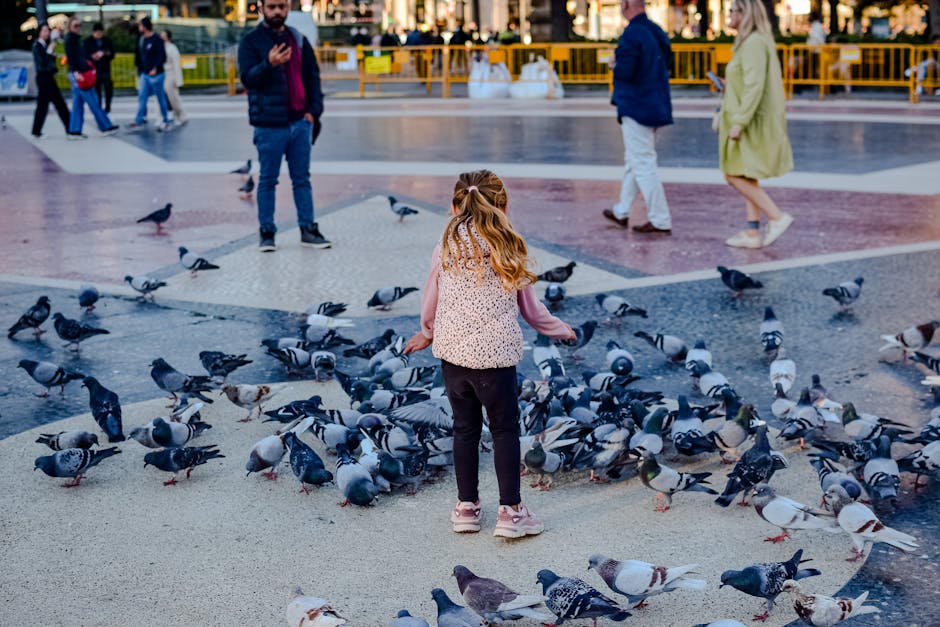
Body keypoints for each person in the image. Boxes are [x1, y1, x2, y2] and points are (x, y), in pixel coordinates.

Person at [404, 170, 575, 539]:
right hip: (496, 360)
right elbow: (531, 309)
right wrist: (558, 329)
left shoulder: (445, 246)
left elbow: (430, 298)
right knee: (504, 432)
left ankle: (466, 507)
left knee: (464, 429)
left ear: (454, 206)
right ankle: (511, 512)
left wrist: (426, 331)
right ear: (504, 205)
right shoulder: (509, 245)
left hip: (452, 357)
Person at [238, 0, 330, 251]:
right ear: (261, 8)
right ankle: (267, 233)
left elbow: (312, 76)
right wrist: (269, 64)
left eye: (282, 6)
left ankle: (308, 229)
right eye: (272, 7)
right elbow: (248, 80)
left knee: (302, 179)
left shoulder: (298, 38)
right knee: (268, 179)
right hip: (269, 125)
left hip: (300, 122)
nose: (277, 11)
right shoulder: (251, 42)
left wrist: (314, 111)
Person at [719, 0, 794, 248]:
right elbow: (749, 81)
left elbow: (755, 86)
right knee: (745, 174)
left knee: (732, 174)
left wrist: (739, 122)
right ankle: (752, 233)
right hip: (745, 117)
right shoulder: (751, 42)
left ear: (744, 13)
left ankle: (777, 216)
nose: (728, 15)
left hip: (747, 120)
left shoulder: (753, 43)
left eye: (732, 10)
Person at [602, 0, 674, 235]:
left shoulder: (631, 34)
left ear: (626, 6)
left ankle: (661, 220)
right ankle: (622, 210)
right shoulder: (656, 30)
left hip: (636, 106)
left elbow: (626, 71)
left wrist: (614, 63)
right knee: (635, 159)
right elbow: (668, 62)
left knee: (642, 163)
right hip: (656, 104)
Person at [63, 17, 118, 140]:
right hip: (80, 75)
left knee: (78, 103)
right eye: (75, 25)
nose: (78, 28)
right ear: (70, 27)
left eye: (79, 25)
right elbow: (73, 57)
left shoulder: (73, 39)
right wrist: (78, 72)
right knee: (93, 100)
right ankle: (105, 126)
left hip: (77, 73)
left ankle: (74, 131)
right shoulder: (72, 39)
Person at [130, 17, 171, 132]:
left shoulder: (157, 39)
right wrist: (139, 69)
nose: (139, 28)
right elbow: (138, 55)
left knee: (160, 97)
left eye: (140, 25)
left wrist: (156, 68)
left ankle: (165, 120)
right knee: (142, 97)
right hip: (144, 74)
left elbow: (162, 56)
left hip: (156, 74)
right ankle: (139, 119)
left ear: (145, 26)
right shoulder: (141, 39)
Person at [31, 23, 71, 138]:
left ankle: (70, 128)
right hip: (43, 78)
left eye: (48, 31)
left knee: (59, 103)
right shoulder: (37, 46)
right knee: (44, 105)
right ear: (39, 32)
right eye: (44, 31)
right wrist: (49, 51)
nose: (47, 33)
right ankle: (36, 131)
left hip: (49, 77)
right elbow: (42, 63)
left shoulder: (46, 45)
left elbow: (51, 62)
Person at [83, 22, 114, 113]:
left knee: (108, 89)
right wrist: (93, 56)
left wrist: (104, 53)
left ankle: (107, 106)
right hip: (94, 70)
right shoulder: (88, 41)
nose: (99, 34)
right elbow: (85, 55)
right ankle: (98, 107)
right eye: (97, 32)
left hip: (105, 69)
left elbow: (112, 53)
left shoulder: (107, 41)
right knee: (97, 90)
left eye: (100, 32)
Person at [160, 30, 187, 126]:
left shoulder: (172, 48)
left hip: (171, 74)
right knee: (161, 97)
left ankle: (181, 116)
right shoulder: (160, 47)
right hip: (161, 74)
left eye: (163, 35)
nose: (161, 37)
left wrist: (178, 80)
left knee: (173, 97)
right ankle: (164, 117)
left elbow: (176, 64)